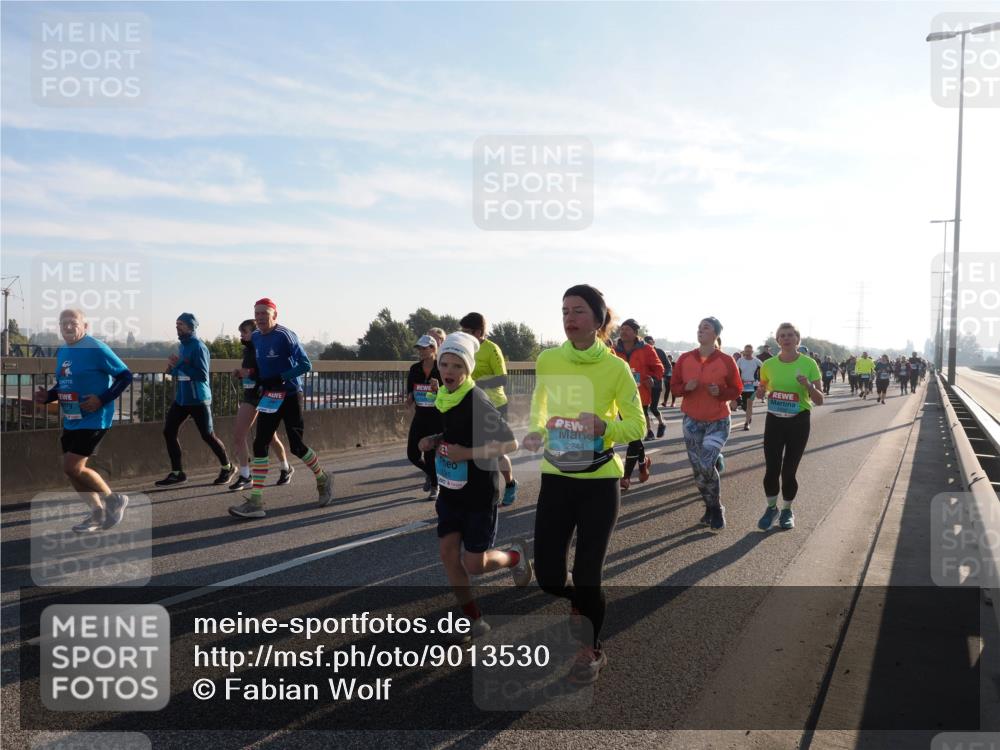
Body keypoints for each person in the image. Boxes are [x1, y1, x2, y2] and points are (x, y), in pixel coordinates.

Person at [521, 284, 644, 684]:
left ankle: (590, 651)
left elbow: (637, 426)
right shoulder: (548, 360)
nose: (569, 318)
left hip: (599, 482)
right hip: (557, 477)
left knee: (589, 574)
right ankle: (582, 600)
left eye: (578, 311)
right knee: (550, 579)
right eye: (564, 311)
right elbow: (539, 406)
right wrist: (537, 430)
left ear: (598, 319)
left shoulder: (616, 368)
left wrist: (605, 427)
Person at [419, 332, 531, 640]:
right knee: (447, 553)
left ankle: (515, 557)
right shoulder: (445, 396)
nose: (449, 371)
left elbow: (510, 443)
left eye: (457, 366)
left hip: (479, 492)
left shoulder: (476, 400)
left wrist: (464, 454)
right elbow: (455, 433)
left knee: (475, 564)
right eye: (445, 364)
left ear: (467, 369)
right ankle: (474, 620)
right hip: (451, 490)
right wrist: (435, 440)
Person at [228, 298, 333, 518]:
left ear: (274, 315)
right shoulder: (256, 337)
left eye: (264, 314)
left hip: (291, 395)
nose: (259, 318)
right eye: (257, 314)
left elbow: (306, 365)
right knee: (260, 443)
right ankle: (256, 501)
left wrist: (281, 377)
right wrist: (250, 376)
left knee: (296, 446)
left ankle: (323, 478)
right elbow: (260, 367)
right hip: (270, 396)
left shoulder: (285, 335)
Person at [34, 309, 133, 533]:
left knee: (72, 466)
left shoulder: (96, 348)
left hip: (95, 418)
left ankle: (113, 499)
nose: (68, 326)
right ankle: (97, 513)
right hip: (72, 417)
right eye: (64, 323)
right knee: (71, 471)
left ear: (85, 326)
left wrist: (101, 399)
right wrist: (48, 396)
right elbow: (64, 384)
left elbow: (125, 375)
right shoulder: (63, 351)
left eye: (73, 322)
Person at [670, 317, 741, 529]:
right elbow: (674, 387)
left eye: (706, 328)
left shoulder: (726, 360)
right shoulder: (685, 359)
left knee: (705, 464)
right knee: (698, 472)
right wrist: (685, 388)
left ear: (716, 334)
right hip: (692, 421)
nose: (700, 331)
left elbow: (736, 389)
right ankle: (709, 506)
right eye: (699, 328)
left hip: (717, 421)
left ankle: (717, 508)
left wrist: (721, 392)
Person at [755, 322, 823, 531]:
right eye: (782, 336)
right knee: (771, 469)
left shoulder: (809, 364)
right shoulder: (768, 365)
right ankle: (771, 508)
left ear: (797, 339)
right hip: (774, 420)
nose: (786, 338)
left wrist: (808, 386)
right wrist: (760, 393)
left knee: (789, 471)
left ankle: (787, 510)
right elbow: (763, 389)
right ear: (777, 341)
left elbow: (820, 400)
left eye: (790, 335)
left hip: (798, 421)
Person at [155, 313, 235, 487]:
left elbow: (202, 375)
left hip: (198, 399)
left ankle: (227, 467)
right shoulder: (183, 346)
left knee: (208, 436)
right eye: (176, 324)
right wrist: (172, 369)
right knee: (169, 432)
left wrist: (180, 364)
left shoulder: (199, 347)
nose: (177, 327)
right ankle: (177, 473)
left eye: (181, 324)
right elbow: (183, 370)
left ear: (191, 327)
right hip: (182, 399)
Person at [460, 313, 517, 507]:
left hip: (494, 405)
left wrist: (477, 384)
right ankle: (476, 491)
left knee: (495, 452)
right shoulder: (465, 347)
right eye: (462, 331)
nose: (463, 335)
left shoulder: (492, 349)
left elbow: (502, 379)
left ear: (478, 332)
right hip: (471, 404)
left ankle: (510, 484)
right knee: (472, 449)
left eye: (467, 331)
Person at [229, 319, 292, 491]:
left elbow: (268, 370)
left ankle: (285, 467)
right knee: (239, 435)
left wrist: (249, 372)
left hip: (265, 394)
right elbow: (251, 372)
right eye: (241, 332)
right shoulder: (247, 350)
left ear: (255, 332)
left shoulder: (263, 346)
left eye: (245, 332)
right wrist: (241, 374)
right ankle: (245, 475)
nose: (241, 335)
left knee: (270, 437)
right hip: (250, 396)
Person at [614, 320, 664, 489]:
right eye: (622, 329)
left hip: (640, 396)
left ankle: (626, 476)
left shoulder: (647, 349)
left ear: (636, 333)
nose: (623, 332)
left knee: (633, 436)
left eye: (627, 329)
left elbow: (659, 368)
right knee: (633, 436)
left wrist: (653, 379)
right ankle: (643, 463)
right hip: (621, 398)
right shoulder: (614, 350)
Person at [406, 334, 442, 501]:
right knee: (412, 454)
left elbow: (450, 392)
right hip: (420, 415)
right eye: (419, 348)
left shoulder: (441, 368)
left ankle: (435, 486)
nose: (420, 351)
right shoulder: (415, 369)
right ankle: (433, 474)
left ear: (433, 349)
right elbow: (410, 390)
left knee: (429, 454)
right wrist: (409, 397)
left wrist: (438, 388)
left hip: (436, 417)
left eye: (423, 348)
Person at [644, 336, 669, 437]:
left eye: (650, 342)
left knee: (653, 408)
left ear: (653, 342)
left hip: (657, 384)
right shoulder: (641, 352)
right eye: (646, 342)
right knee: (644, 408)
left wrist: (659, 376)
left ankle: (661, 424)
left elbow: (668, 366)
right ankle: (649, 431)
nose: (648, 344)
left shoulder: (660, 352)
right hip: (644, 385)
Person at [736, 345, 763, 431]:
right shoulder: (740, 360)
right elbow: (735, 372)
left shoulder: (756, 361)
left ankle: (747, 423)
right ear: (744, 351)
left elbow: (765, 369)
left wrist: (761, 381)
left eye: (749, 351)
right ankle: (749, 414)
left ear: (752, 352)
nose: (747, 353)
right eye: (746, 351)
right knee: (743, 405)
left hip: (753, 385)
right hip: (742, 385)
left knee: (749, 403)